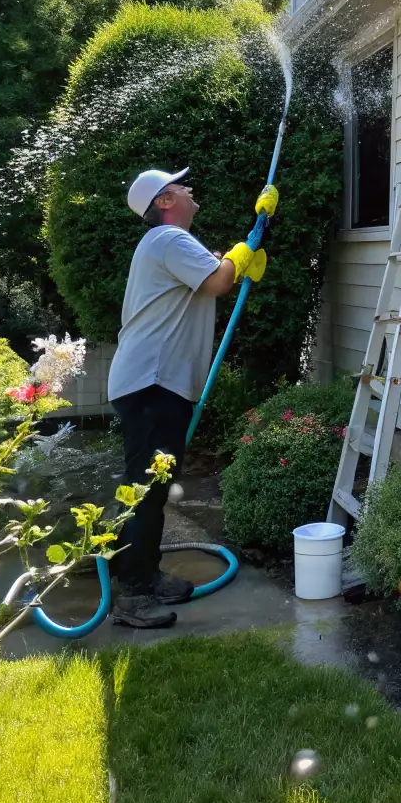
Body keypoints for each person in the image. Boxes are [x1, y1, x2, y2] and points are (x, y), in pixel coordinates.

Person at [107, 167, 275, 628]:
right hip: (151, 384)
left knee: (153, 488)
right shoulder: (168, 240)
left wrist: (237, 257)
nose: (189, 188)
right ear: (164, 201)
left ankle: (145, 575)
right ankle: (132, 596)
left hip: (152, 383)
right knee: (145, 491)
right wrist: (246, 248)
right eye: (180, 185)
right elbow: (219, 281)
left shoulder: (169, 245)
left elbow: (213, 273)